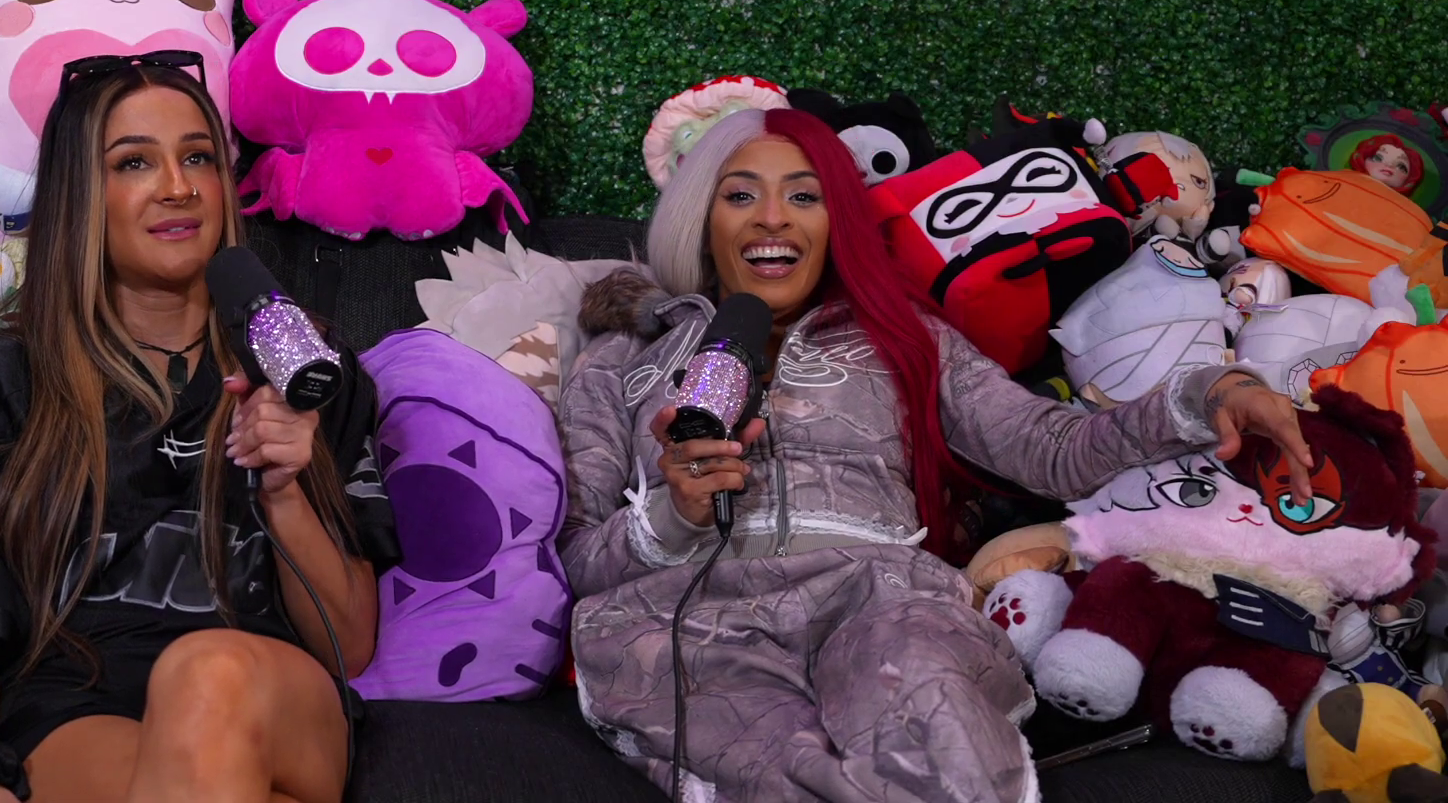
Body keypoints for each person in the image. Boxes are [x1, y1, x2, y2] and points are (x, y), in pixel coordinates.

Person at [557, 107, 1317, 803]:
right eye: (741, 195)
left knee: (935, 725)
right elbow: (577, 561)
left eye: (804, 196)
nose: (773, 218)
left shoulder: (906, 339)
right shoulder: (623, 359)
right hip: (695, 618)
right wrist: (673, 514)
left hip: (878, 599)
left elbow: (1049, 447)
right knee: (777, 771)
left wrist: (1208, 392)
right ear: (702, 217)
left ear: (836, 220)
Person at [0, 55, 397, 803]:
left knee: (207, 672)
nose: (178, 187)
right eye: (134, 162)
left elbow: (348, 645)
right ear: (80, 195)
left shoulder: (309, 371)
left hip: (274, 697)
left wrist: (284, 490)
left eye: (198, 157)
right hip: (74, 707)